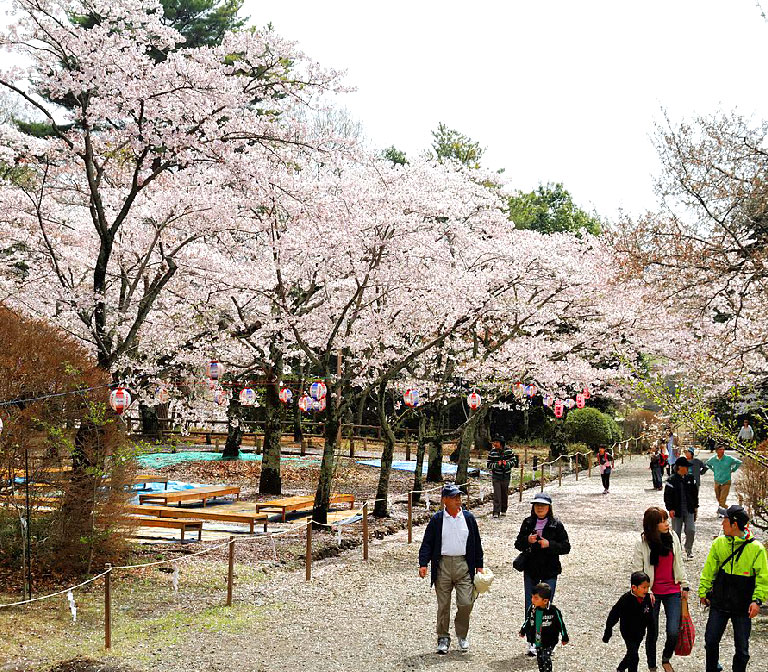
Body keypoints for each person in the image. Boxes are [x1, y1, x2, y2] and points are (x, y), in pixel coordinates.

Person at [699, 505, 768, 672]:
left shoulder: (756, 549)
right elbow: (709, 570)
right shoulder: (719, 544)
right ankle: (712, 668)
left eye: (725, 519)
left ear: (734, 524)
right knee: (711, 641)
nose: (722, 523)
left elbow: (763, 579)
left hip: (742, 606)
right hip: (719, 602)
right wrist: (703, 591)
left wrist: (757, 601)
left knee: (742, 649)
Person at [418, 483, 484, 655]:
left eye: (459, 497)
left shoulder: (468, 518)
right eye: (454, 497)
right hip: (443, 566)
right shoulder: (437, 520)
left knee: (466, 602)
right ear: (445, 500)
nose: (458, 500)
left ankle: (462, 634)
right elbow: (427, 543)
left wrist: (480, 565)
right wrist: (423, 564)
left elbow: (476, 543)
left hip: (464, 565)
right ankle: (443, 637)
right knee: (443, 605)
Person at [632, 506, 690, 672]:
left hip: (672, 590)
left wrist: (684, 584)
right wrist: (643, 592)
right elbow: (637, 571)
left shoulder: (673, 537)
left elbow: (679, 562)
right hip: (651, 593)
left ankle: (666, 657)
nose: (667, 524)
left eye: (666, 520)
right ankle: (652, 665)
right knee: (652, 631)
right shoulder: (642, 543)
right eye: (662, 521)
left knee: (673, 630)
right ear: (652, 525)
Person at [514, 492, 571, 656]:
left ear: (549, 507)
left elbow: (566, 547)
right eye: (537, 505)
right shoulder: (527, 522)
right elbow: (518, 543)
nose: (539, 508)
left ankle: (547, 642)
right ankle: (532, 641)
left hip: (549, 570)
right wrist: (528, 541)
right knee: (531, 606)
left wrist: (549, 544)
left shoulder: (556, 524)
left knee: (546, 607)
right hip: (531, 569)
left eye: (543, 505)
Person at [603, 571, 654, 672]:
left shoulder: (647, 598)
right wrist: (608, 631)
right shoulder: (625, 600)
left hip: (639, 633)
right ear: (634, 588)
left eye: (647, 587)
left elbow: (650, 617)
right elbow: (614, 614)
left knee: (631, 653)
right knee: (634, 657)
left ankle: (621, 668)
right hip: (628, 632)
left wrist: (652, 631)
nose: (646, 590)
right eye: (643, 588)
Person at [519, 582, 569, 672]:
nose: (532, 600)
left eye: (536, 598)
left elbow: (561, 624)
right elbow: (528, 620)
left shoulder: (553, 611)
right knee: (540, 658)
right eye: (532, 597)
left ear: (545, 601)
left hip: (550, 640)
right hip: (538, 638)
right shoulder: (532, 609)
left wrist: (564, 637)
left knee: (546, 656)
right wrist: (523, 630)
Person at [663, 456, 698, 560]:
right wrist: (670, 508)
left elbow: (695, 494)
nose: (687, 469)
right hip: (676, 510)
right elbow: (667, 496)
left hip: (689, 509)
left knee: (691, 530)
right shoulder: (672, 480)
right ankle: (676, 552)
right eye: (686, 467)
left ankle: (689, 549)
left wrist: (696, 507)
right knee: (676, 532)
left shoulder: (691, 479)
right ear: (680, 467)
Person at [486, 435, 515, 517]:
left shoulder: (509, 451)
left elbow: (514, 462)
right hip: (496, 476)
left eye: (497, 442)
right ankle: (496, 511)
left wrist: (507, 464)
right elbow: (488, 465)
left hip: (506, 476)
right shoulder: (492, 452)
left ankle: (503, 509)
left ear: (501, 443)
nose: (495, 444)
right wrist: (496, 465)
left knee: (504, 493)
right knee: (497, 494)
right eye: (494, 442)